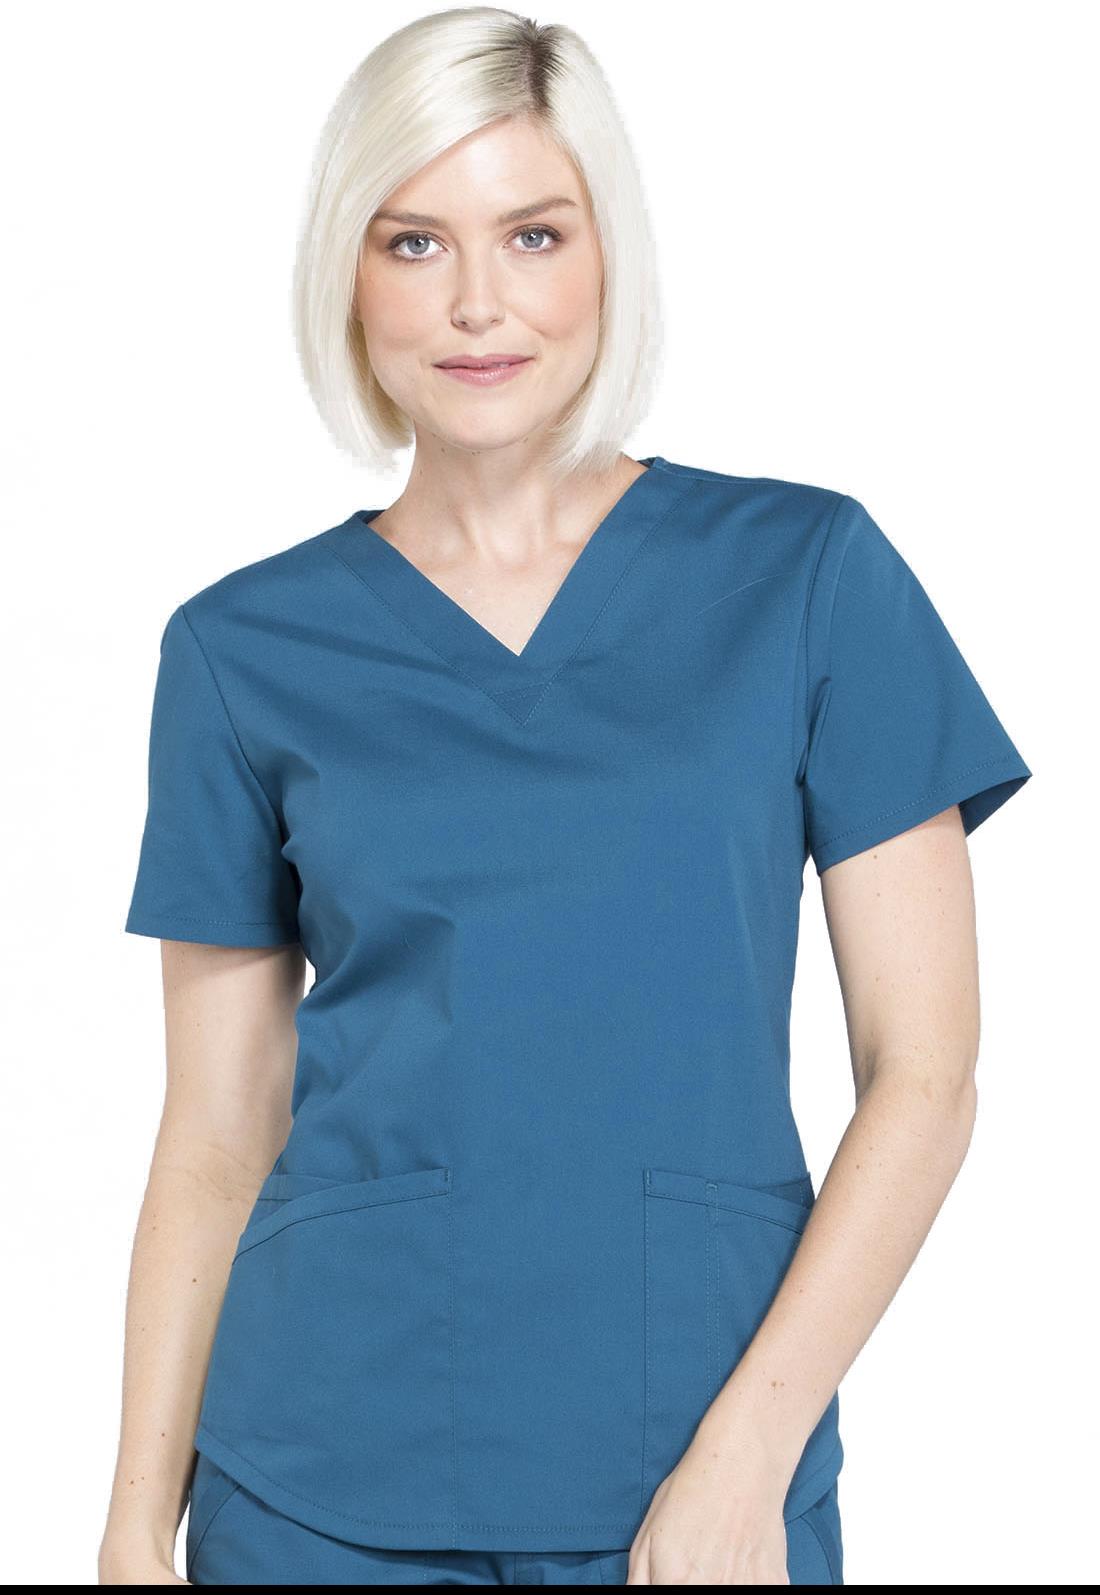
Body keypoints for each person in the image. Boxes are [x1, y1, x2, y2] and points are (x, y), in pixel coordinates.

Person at [98, 7, 1033, 1588]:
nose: (478, 302)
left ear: (610, 256)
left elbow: (926, 1074)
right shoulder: (241, 650)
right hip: (316, 1486)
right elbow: (215, 1131)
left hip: (691, 1480)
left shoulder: (809, 578)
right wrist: (135, 1520)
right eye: (413, 242)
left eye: (534, 234)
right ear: (349, 274)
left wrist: (750, 1456)